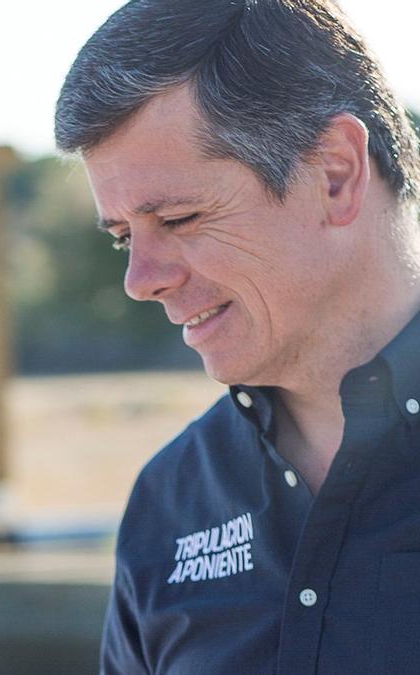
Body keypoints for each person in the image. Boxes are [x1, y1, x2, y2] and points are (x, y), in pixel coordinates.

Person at [55, 1, 420, 672]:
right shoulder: (168, 501)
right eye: (122, 238)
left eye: (180, 217)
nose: (139, 280)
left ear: (335, 173)